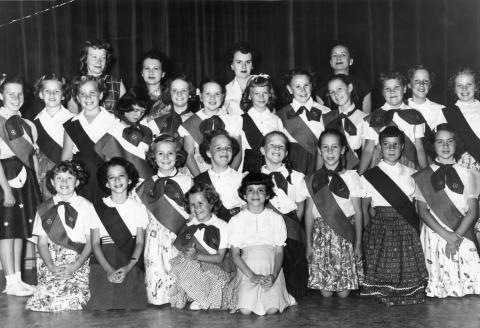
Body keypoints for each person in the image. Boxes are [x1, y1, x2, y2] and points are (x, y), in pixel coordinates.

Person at [360, 126, 428, 306]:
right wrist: (369, 235)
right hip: (380, 226)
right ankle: (382, 290)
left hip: (405, 225)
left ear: (403, 146)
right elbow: (365, 209)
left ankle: (408, 291)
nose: (391, 149)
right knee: (382, 263)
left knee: (406, 264)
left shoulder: (412, 173)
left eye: (395, 144)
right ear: (379, 147)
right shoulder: (368, 176)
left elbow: (417, 206)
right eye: (386, 144)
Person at [414, 124, 480, 298]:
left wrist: (456, 236)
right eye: (440, 142)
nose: (445, 146)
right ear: (432, 145)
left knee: (469, 290)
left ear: (456, 144)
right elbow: (422, 211)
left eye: (449, 141)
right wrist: (447, 235)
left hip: (462, 232)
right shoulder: (423, 175)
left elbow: (473, 211)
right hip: (436, 234)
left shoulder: (469, 173)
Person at [26, 161, 93, 311]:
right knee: (43, 300)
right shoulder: (43, 208)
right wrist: (51, 266)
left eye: (69, 178)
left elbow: (91, 242)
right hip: (50, 261)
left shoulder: (86, 206)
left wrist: (75, 265)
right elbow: (42, 244)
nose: (64, 182)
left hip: (77, 260)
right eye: (59, 178)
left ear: (77, 182)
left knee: (73, 298)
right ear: (52, 182)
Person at [304, 129, 363, 298]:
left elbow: (358, 213)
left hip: (345, 237)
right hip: (321, 237)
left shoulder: (352, 178)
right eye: (325, 147)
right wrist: (308, 244)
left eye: (335, 147)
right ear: (319, 150)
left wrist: (358, 244)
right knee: (326, 294)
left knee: (344, 294)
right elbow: (309, 213)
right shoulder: (311, 179)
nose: (330, 152)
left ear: (343, 149)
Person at [228, 172, 296, 315]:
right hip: (247, 271)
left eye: (260, 190)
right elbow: (235, 255)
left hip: (271, 269)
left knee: (272, 309)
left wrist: (274, 275)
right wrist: (252, 276)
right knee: (245, 311)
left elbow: (278, 251)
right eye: (250, 190)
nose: (255, 194)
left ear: (267, 195)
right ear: (244, 195)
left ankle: (281, 292)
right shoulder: (236, 220)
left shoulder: (276, 218)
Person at [136, 134, 192, 305]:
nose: (165, 158)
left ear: (178, 156)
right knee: (155, 271)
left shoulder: (187, 181)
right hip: (154, 236)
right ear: (153, 157)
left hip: (178, 234)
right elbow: (143, 214)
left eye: (170, 153)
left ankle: (180, 300)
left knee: (177, 270)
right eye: (160, 154)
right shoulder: (147, 184)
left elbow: (192, 212)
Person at [86, 157, 148, 310]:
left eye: (121, 175)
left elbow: (140, 242)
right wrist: (108, 270)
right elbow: (94, 244)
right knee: (103, 303)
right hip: (104, 259)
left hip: (130, 257)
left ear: (129, 179)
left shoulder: (138, 208)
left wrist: (129, 266)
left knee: (133, 304)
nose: (117, 180)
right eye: (111, 177)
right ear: (106, 183)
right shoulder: (97, 208)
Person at [0, 75, 42, 296]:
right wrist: (6, 189)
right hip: (5, 178)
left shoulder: (28, 125)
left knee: (19, 230)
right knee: (6, 231)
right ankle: (9, 280)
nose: (15, 98)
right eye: (10, 94)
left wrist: (37, 184)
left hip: (25, 178)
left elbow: (32, 156)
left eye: (19, 94)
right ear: (1, 96)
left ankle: (18, 278)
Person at [169, 182, 236, 311]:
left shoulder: (222, 226)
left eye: (200, 203)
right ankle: (184, 292)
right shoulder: (189, 224)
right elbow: (181, 248)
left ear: (211, 203)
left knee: (191, 264)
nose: (196, 208)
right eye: (192, 205)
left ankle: (201, 298)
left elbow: (220, 258)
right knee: (180, 259)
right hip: (195, 265)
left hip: (217, 267)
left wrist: (196, 256)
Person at [260, 131, 308, 298]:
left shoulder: (297, 177)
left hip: (291, 230)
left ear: (286, 153)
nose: (276, 149)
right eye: (272, 145)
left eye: (281, 146)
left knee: (293, 269)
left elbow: (301, 206)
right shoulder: (254, 177)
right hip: (264, 232)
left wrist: (292, 229)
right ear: (262, 150)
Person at [62, 76, 117, 204]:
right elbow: (66, 158)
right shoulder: (71, 125)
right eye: (83, 94)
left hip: (105, 180)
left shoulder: (113, 121)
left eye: (92, 93)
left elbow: (116, 156)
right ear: (77, 98)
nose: (87, 98)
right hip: (81, 183)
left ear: (101, 94)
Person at [359, 71, 427, 174]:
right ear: (382, 92)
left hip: (409, 166)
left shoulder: (415, 116)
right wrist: (360, 173)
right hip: (381, 168)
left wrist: (426, 173)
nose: (392, 92)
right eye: (387, 89)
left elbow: (419, 148)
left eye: (396, 87)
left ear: (404, 89)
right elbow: (368, 150)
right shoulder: (374, 117)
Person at [179, 78, 242, 176]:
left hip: (227, 172)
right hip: (199, 172)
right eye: (207, 94)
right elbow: (189, 155)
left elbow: (237, 153)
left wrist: (230, 177)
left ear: (222, 96)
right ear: (200, 97)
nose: (212, 98)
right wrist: (201, 180)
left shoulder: (233, 120)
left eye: (217, 94)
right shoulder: (191, 122)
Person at [277, 69, 330, 175]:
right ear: (289, 89)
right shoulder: (280, 115)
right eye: (297, 86)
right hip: (293, 163)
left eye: (306, 85)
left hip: (321, 161)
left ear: (311, 86)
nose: (303, 90)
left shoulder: (326, 111)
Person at [95, 92, 154, 180]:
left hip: (145, 178)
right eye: (135, 110)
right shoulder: (113, 131)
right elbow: (108, 163)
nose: (138, 115)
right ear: (125, 107)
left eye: (142, 112)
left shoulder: (145, 130)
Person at [33, 74, 74, 200]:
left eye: (56, 91)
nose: (52, 95)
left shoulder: (72, 119)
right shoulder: (35, 121)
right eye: (47, 91)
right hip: (43, 173)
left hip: (65, 172)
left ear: (63, 95)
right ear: (41, 94)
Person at [196, 128, 244, 222]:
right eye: (218, 148)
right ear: (209, 153)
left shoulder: (241, 178)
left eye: (228, 148)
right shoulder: (198, 181)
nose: (224, 151)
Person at [239, 74, 284, 173]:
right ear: (249, 96)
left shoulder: (276, 120)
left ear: (270, 94)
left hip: (273, 167)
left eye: (265, 93)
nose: (261, 97)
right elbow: (239, 151)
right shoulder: (241, 120)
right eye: (256, 93)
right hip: (250, 167)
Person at [322, 74, 368, 169]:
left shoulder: (364, 118)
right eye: (332, 92)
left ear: (350, 87)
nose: (336, 94)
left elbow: (366, 152)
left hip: (354, 170)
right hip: (330, 170)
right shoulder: (326, 118)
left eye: (339, 89)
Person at [69, 39, 126, 114]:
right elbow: (73, 117)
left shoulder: (117, 84)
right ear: (85, 59)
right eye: (94, 57)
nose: (99, 61)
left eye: (103, 57)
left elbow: (125, 116)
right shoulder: (77, 84)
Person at [442, 67, 480, 172]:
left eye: (469, 84)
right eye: (459, 85)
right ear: (454, 89)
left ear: (476, 87)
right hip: (463, 167)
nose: (464, 89)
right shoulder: (447, 113)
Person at [316, 41, 371, 113]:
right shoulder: (322, 87)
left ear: (350, 61)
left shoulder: (362, 84)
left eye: (343, 55)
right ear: (330, 63)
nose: (338, 58)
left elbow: (367, 116)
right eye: (334, 55)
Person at [147, 74, 196, 138]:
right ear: (169, 93)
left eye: (183, 90)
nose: (179, 94)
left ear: (189, 93)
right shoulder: (156, 122)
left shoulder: (198, 120)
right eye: (174, 90)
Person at [132, 50, 169, 121]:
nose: (151, 72)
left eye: (156, 68)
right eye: (147, 68)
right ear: (142, 73)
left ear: (163, 73)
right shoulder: (133, 96)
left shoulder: (170, 96)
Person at [407, 65, 446, 131]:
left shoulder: (440, 110)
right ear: (409, 85)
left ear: (430, 85)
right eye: (417, 81)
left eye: (426, 81)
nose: (421, 84)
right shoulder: (401, 107)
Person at [224, 42, 254, 116]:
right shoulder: (225, 91)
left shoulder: (262, 86)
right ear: (232, 65)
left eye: (248, 62)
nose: (244, 66)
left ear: (252, 65)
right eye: (239, 62)